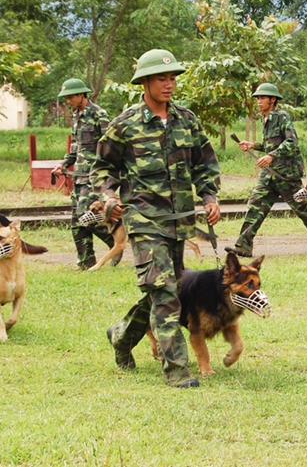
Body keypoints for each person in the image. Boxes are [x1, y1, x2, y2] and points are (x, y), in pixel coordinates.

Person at [94, 49, 221, 389]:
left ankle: (121, 335)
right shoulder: (125, 124)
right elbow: (102, 168)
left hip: (179, 221)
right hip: (144, 221)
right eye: (162, 78)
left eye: (172, 78)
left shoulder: (187, 119)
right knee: (165, 293)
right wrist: (108, 198)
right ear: (145, 82)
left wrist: (209, 197)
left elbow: (204, 163)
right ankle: (177, 371)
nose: (169, 84)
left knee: (163, 290)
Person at [234, 82, 307, 257]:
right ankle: (243, 246)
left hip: (286, 174)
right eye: (257, 98)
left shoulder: (282, 117)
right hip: (269, 175)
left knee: (302, 210)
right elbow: (270, 144)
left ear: (273, 100)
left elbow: (291, 143)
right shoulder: (264, 119)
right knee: (256, 205)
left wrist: (271, 155)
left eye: (263, 98)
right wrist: (253, 145)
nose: (259, 101)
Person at [51, 78, 114, 270]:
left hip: (94, 177)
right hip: (78, 176)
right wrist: (63, 164)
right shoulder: (76, 116)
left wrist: (107, 174)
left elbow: (109, 145)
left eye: (70, 97)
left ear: (81, 95)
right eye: (66, 98)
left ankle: (116, 241)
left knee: (84, 216)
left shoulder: (98, 114)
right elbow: (75, 148)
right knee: (76, 222)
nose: (68, 101)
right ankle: (85, 263)